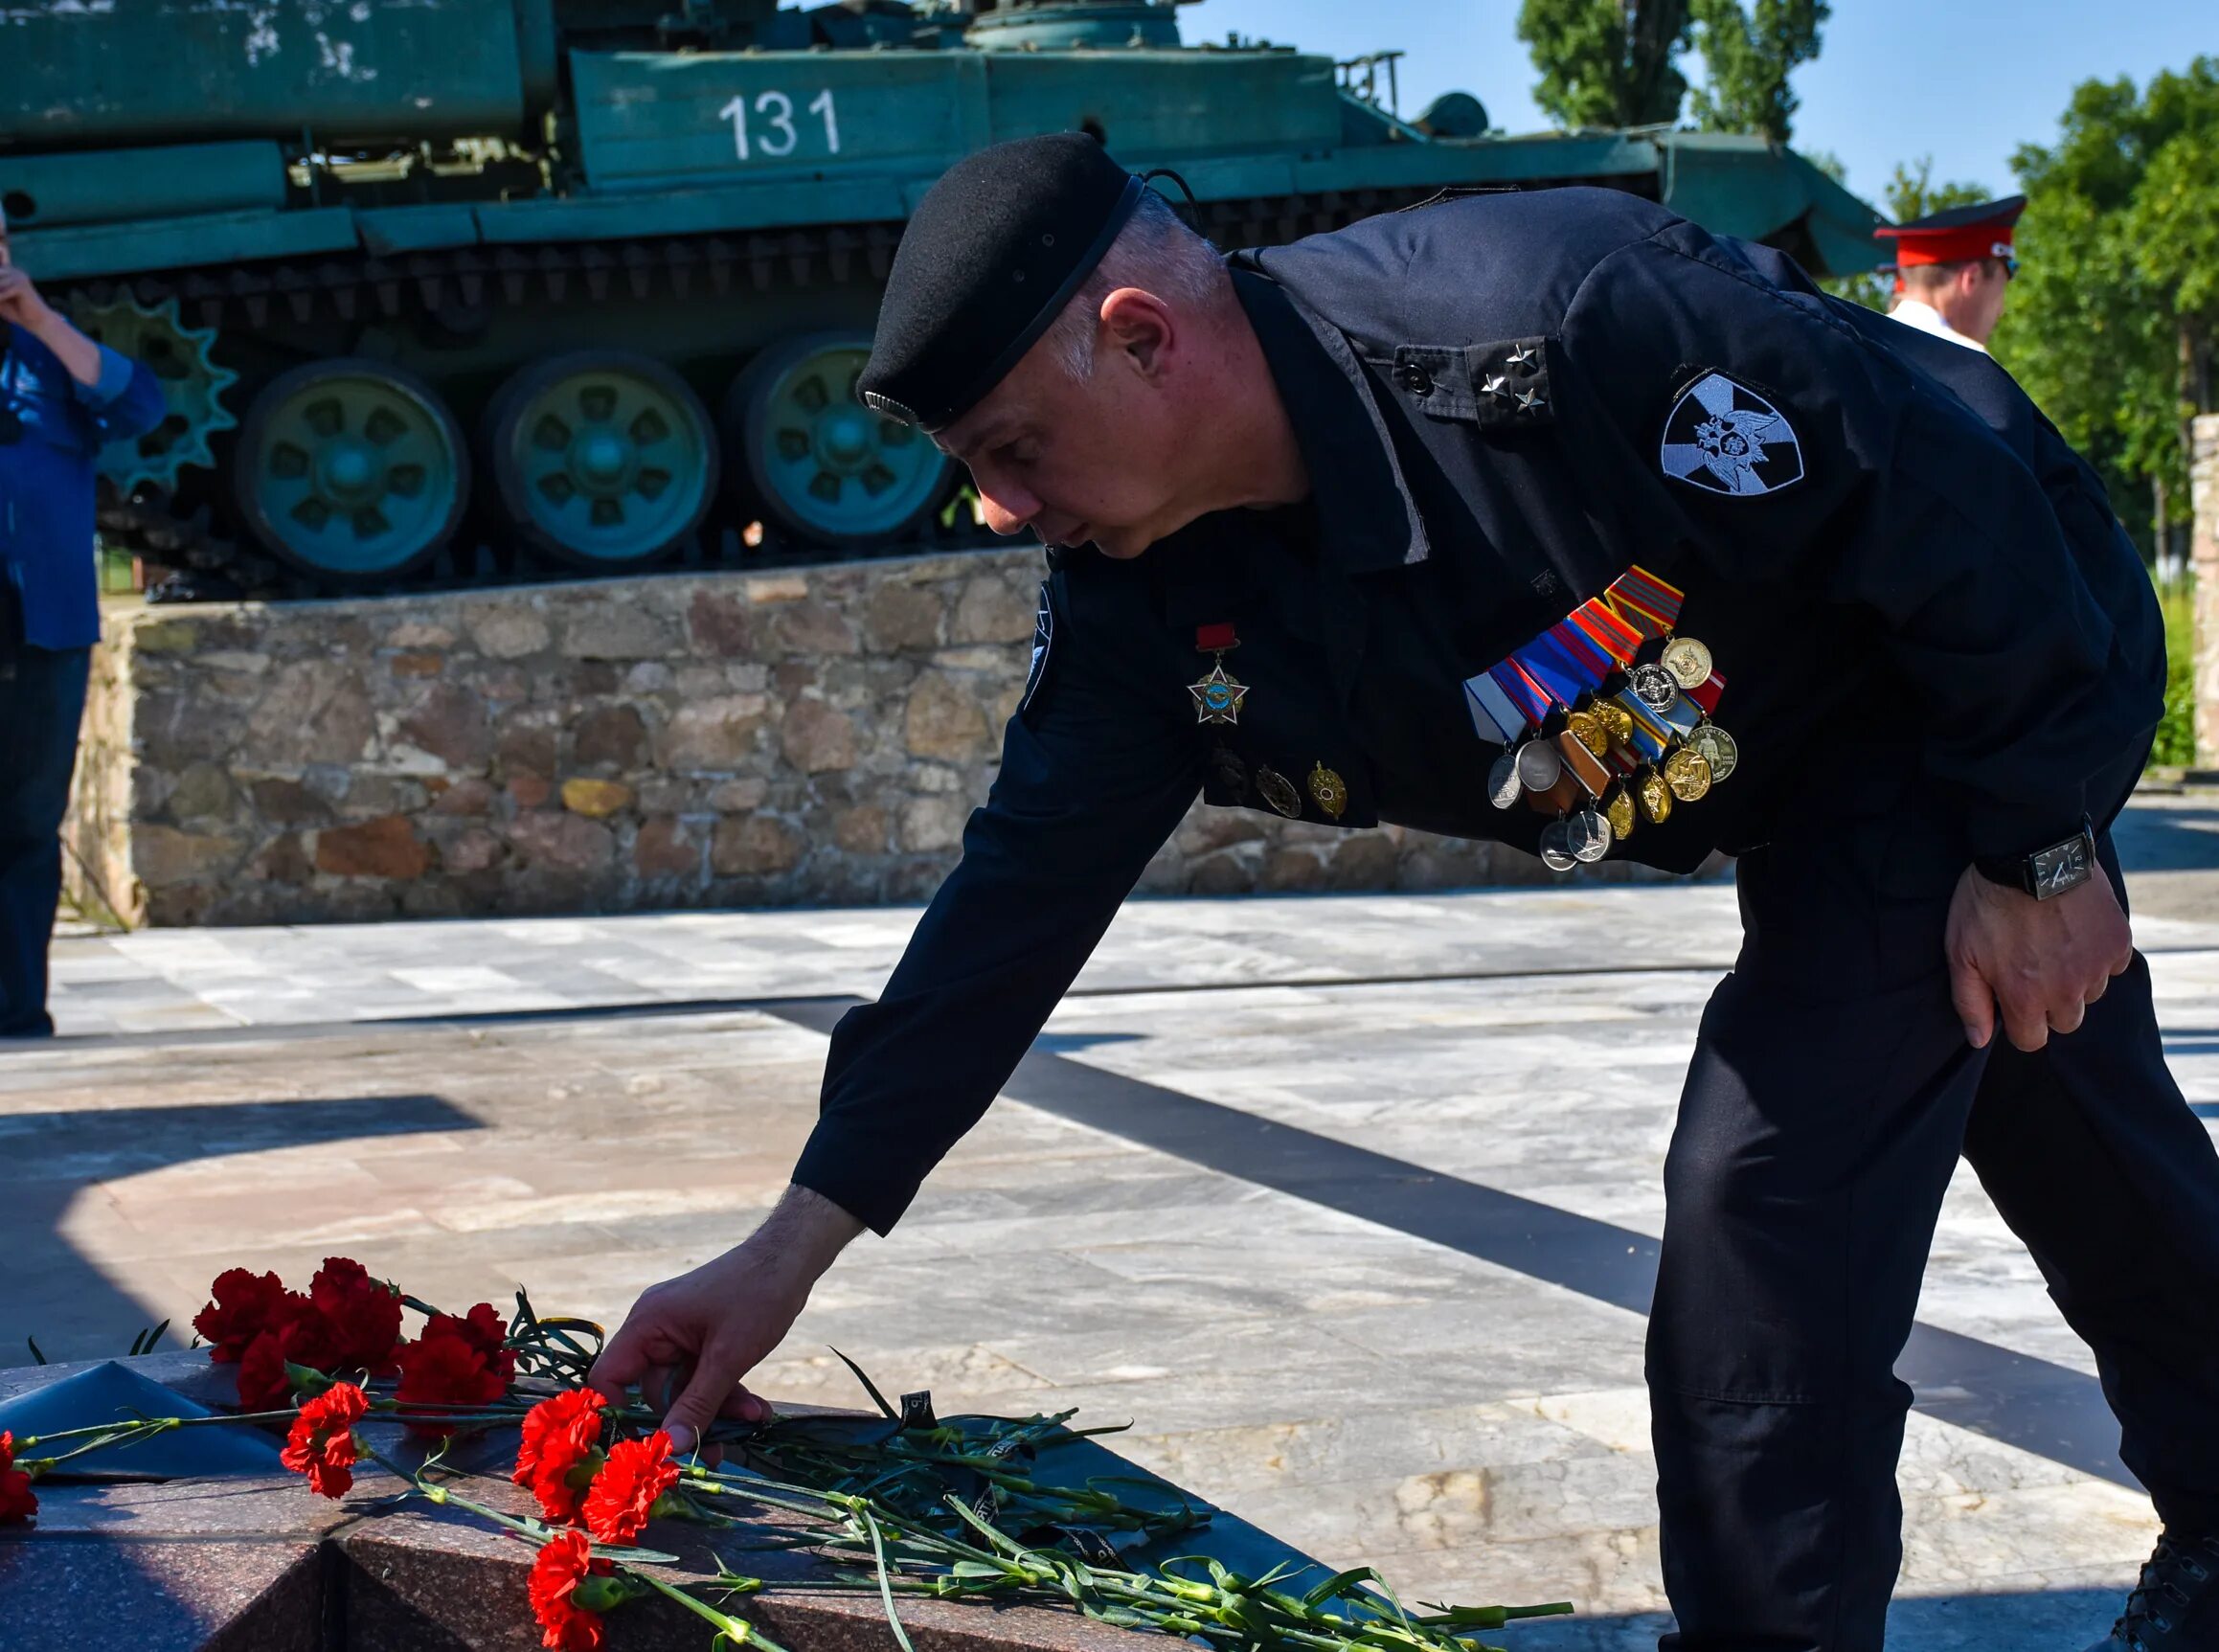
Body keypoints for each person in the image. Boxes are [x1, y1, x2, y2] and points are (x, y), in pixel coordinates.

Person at [590, 135, 2219, 1652]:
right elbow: (1009, 915)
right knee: (2079, 1129)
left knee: (1766, 1209)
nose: (1002, 507)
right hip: (1793, 756)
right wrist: (786, 1249)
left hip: (1962, 682)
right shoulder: (1140, 601)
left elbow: (1957, 514)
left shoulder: (1555, 325)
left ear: (1144, 337)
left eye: (1011, 451)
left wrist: (2038, 853)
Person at [0, 203, 164, 1036]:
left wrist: (43, 318)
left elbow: (138, 408)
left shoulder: (47, 353)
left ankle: (16, 1010)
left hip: (41, 629)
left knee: (27, 825)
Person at [1875, 193, 2025, 354]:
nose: (2001, 310)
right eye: (2000, 290)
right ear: (1971, 279)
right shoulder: (1971, 363)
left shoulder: (1860, 341)